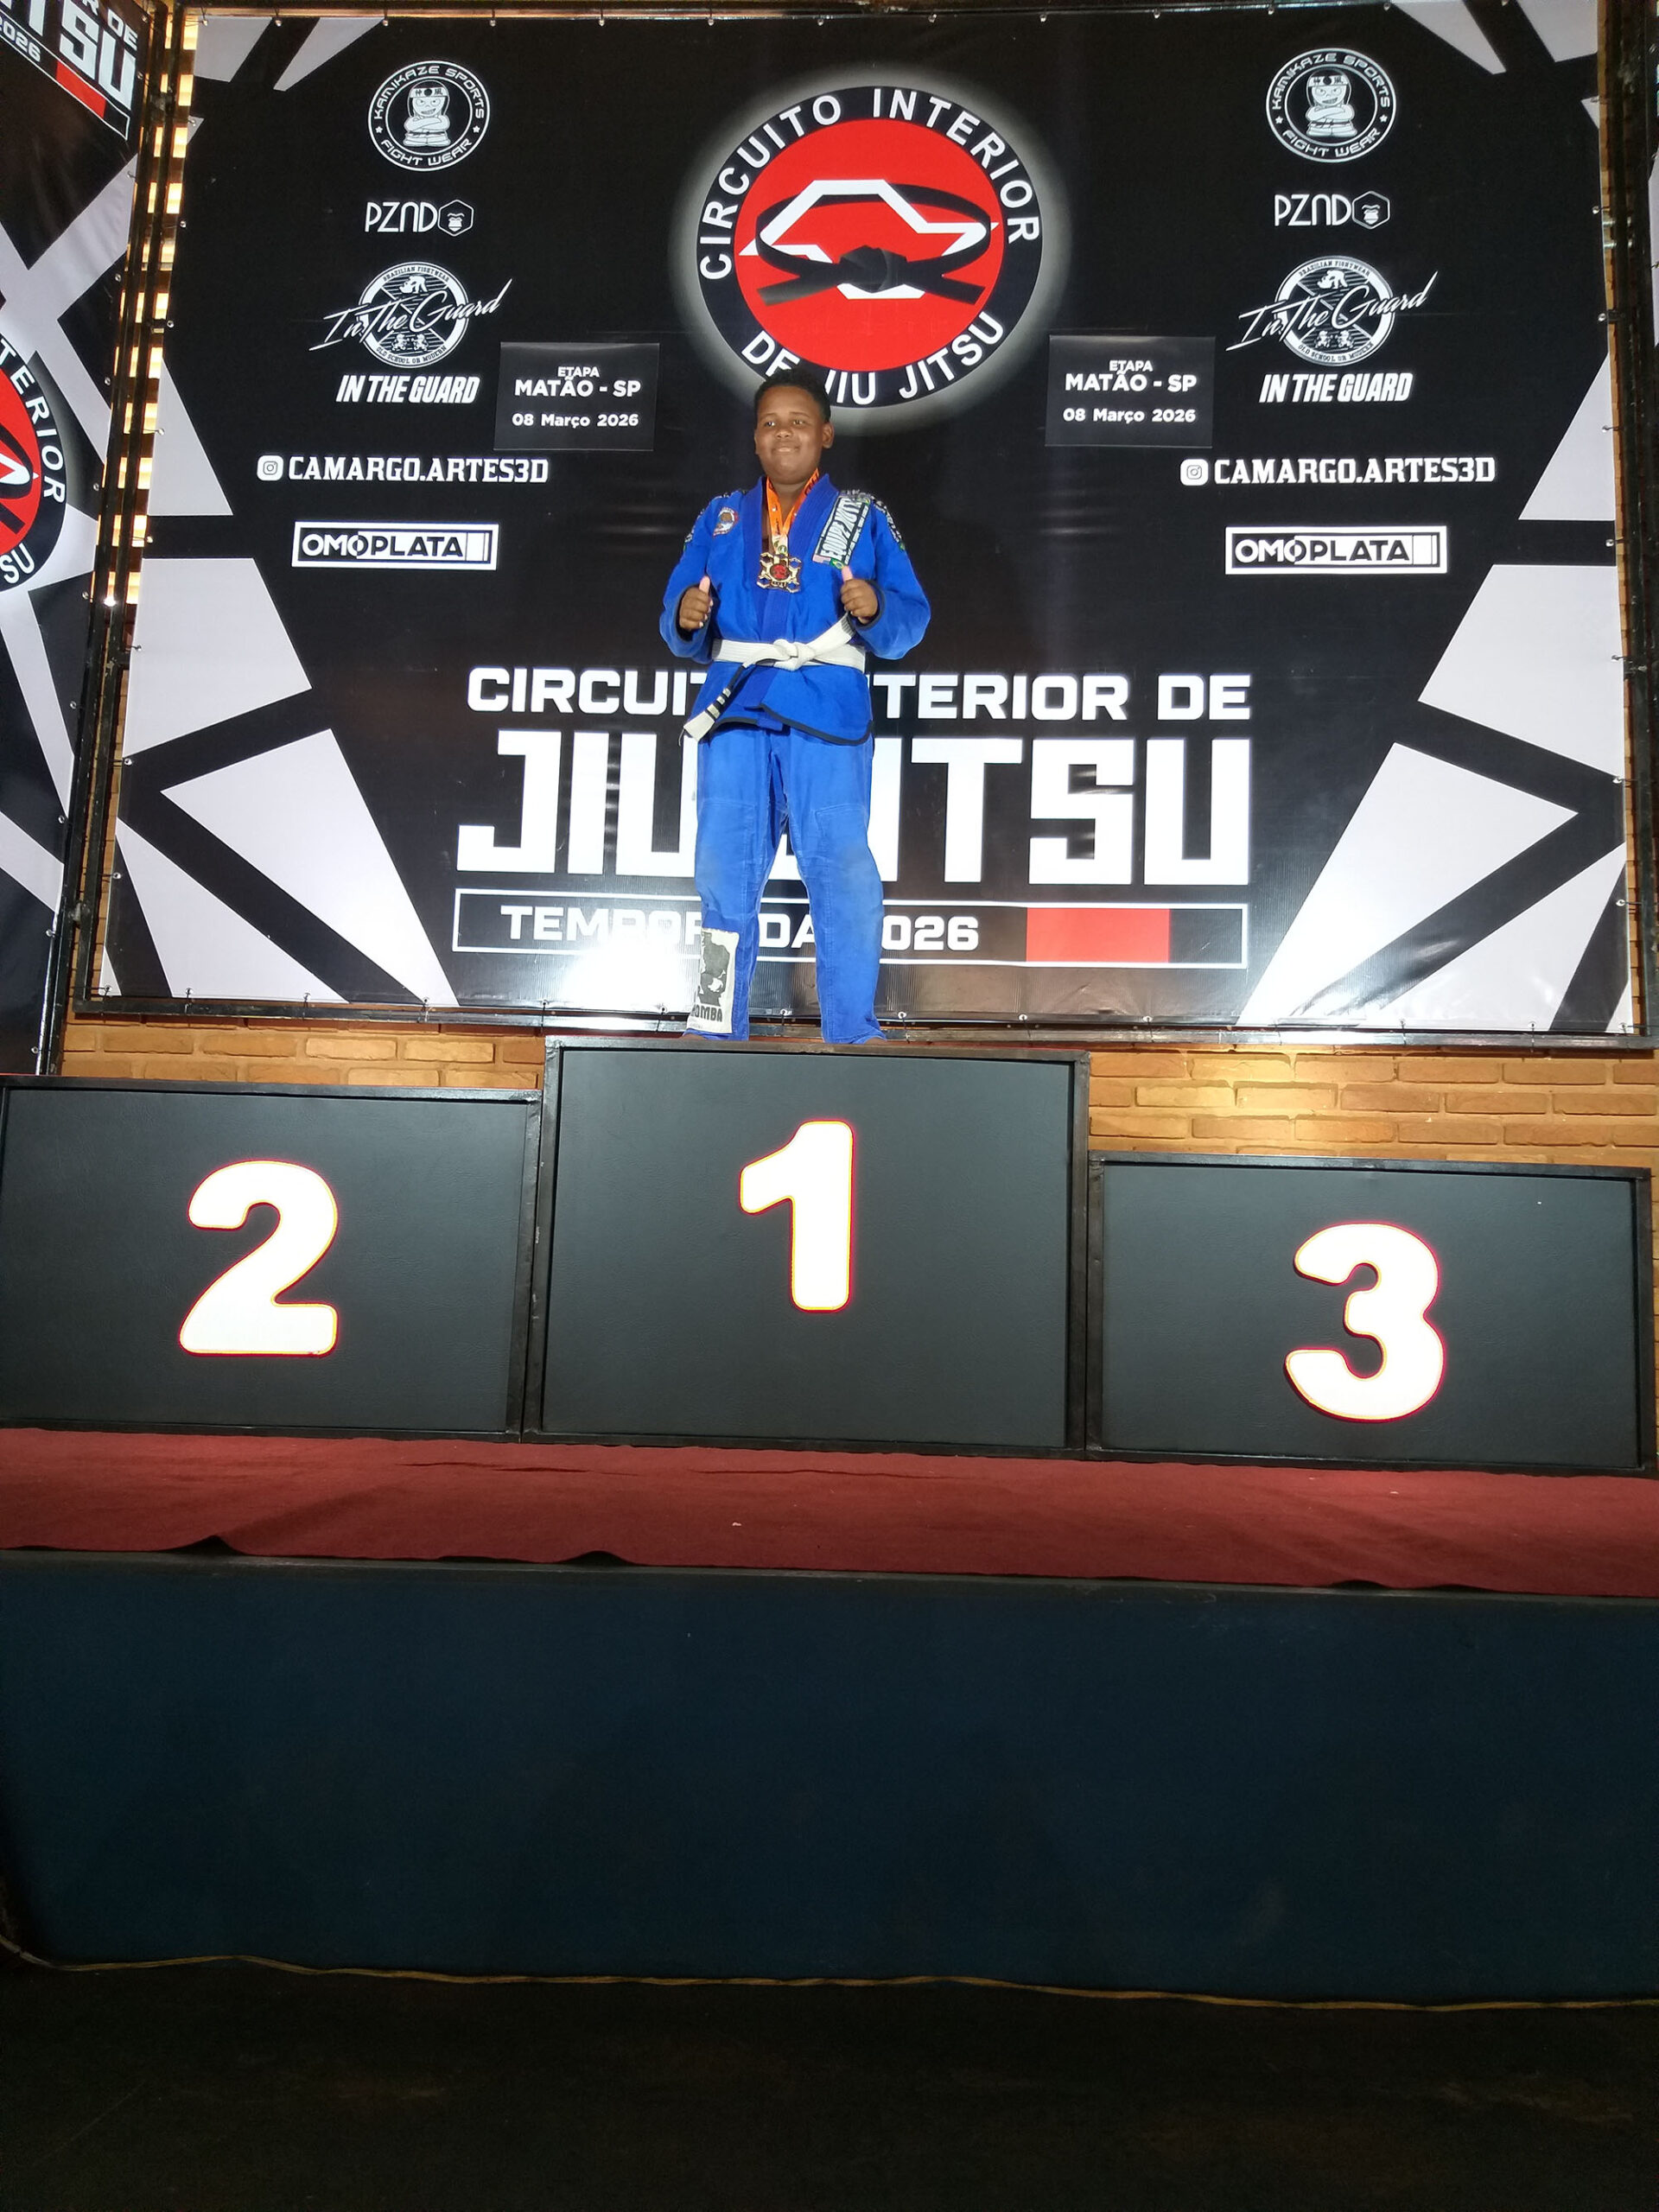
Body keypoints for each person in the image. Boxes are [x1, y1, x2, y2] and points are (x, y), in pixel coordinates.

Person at [660, 372, 930, 1042]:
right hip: (738, 708)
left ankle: (852, 1031)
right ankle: (714, 1026)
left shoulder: (864, 515)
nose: (784, 433)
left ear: (826, 434)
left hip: (826, 710)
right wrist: (686, 617)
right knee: (722, 875)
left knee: (843, 873)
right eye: (771, 423)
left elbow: (910, 618)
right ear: (755, 438)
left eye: (799, 421)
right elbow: (679, 610)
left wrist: (877, 608)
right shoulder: (720, 516)